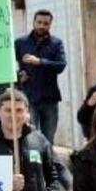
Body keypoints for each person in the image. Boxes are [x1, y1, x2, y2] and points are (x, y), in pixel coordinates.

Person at [14, 9, 67, 143]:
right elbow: (11, 66)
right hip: (28, 98)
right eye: (39, 22)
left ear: (50, 25)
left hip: (49, 99)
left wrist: (40, 62)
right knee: (28, 138)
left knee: (48, 140)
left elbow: (61, 65)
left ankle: (48, 164)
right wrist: (18, 75)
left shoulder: (56, 43)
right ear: (33, 22)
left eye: (46, 23)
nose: (42, 26)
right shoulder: (20, 42)